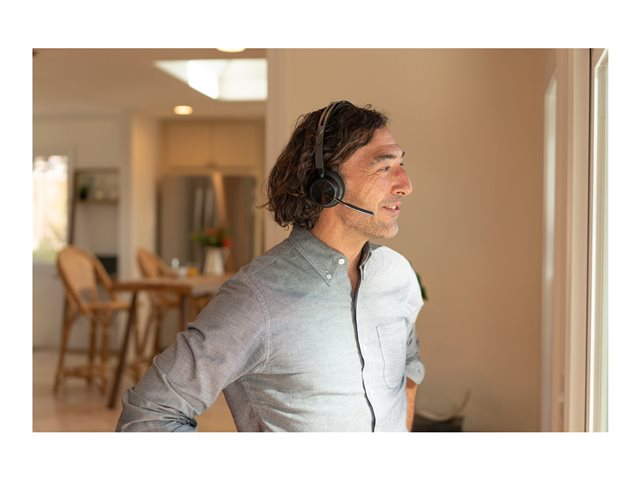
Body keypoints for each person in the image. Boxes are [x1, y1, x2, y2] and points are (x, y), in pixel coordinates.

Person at [116, 100, 425, 432]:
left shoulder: (397, 276)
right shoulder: (256, 298)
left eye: (401, 164)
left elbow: (409, 368)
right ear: (327, 183)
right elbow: (149, 415)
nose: (405, 185)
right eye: (384, 167)